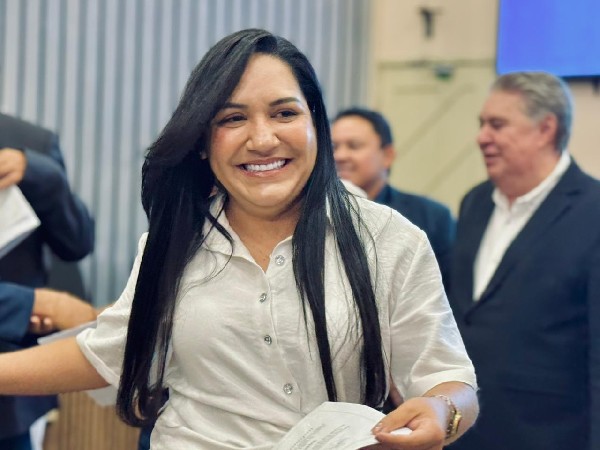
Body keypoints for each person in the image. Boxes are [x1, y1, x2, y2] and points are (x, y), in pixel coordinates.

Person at [0, 29, 478, 449]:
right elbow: (111, 352)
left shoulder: (389, 239)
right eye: (232, 119)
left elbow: (449, 379)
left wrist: (442, 412)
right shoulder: (174, 242)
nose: (262, 139)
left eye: (284, 113)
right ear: (202, 143)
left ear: (315, 124)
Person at [447, 72, 600, 450]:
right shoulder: (475, 202)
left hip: (549, 436)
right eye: (482, 124)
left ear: (545, 129)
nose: (482, 137)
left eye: (497, 125)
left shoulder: (593, 211)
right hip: (465, 434)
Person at [0, 113, 95, 450]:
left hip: (11, 390)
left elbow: (77, 244)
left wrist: (39, 174)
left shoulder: (30, 140)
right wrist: (36, 305)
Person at [331, 107, 456, 287]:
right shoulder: (309, 214)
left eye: (354, 146)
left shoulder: (431, 217)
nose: (339, 156)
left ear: (387, 155)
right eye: (333, 147)